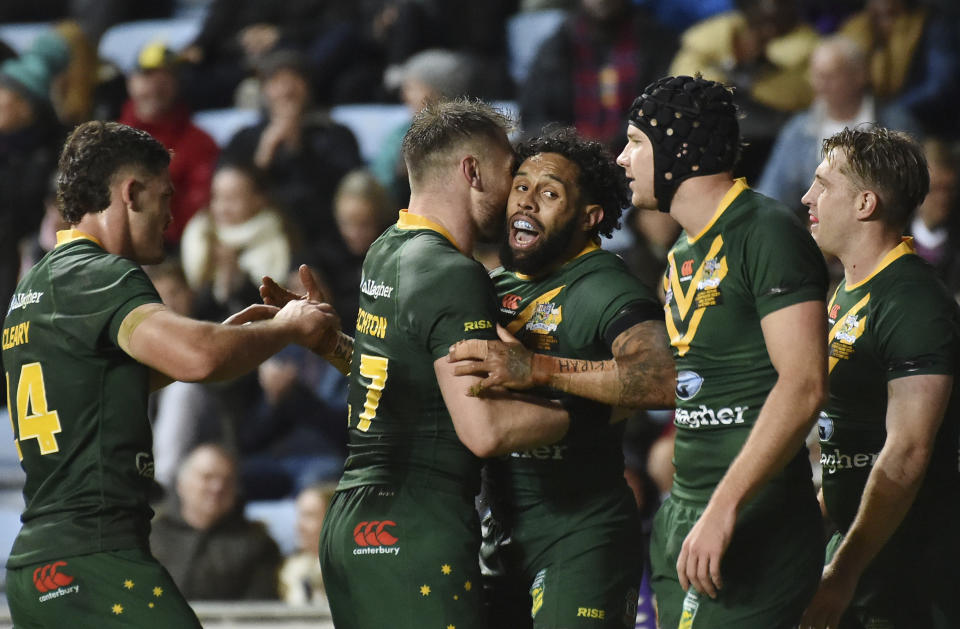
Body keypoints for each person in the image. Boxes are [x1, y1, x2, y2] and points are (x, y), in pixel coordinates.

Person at [1, 120, 337, 627]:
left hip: (39, 567)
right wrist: (289, 329)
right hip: (97, 556)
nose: (172, 214)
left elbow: (116, 383)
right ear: (131, 193)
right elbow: (200, 358)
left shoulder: (36, 287)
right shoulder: (101, 274)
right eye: (165, 195)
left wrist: (231, 337)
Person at [262, 98, 571, 629]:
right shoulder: (453, 272)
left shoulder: (387, 248)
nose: (516, 194)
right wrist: (590, 406)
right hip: (414, 526)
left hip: (353, 524)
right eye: (508, 173)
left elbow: (395, 374)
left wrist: (332, 345)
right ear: (472, 172)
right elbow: (484, 432)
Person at [616, 75, 829, 628]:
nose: (622, 158)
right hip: (685, 510)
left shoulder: (767, 232)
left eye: (636, 141)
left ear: (678, 149)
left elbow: (803, 384)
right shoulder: (683, 248)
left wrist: (724, 507)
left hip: (751, 515)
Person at [446, 127, 676, 628]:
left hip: (581, 532)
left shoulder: (604, 287)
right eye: (521, 187)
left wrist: (536, 368)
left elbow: (662, 378)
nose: (526, 203)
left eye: (549, 194)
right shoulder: (491, 287)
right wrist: (325, 339)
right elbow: (417, 380)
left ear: (589, 217)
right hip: (500, 528)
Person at [798, 126, 960, 629]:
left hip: (910, 571)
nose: (807, 197)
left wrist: (843, 572)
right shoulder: (848, 290)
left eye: (824, 185)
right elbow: (855, 438)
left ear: (865, 203)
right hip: (860, 555)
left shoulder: (912, 303)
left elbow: (908, 453)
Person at [757, 35, 922, 216]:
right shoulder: (799, 130)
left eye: (829, 77)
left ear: (859, 76)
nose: (820, 86)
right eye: (816, 76)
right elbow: (772, 195)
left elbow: (916, 193)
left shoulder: (895, 124)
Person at [118, 41, 220, 246]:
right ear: (131, 82)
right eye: (148, 75)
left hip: (169, 251)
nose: (156, 86)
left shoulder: (200, 143)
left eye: (166, 77)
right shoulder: (109, 140)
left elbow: (200, 211)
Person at [150, 443, 283, 600]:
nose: (217, 487)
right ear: (181, 484)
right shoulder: (148, 537)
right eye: (207, 477)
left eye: (227, 480)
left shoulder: (258, 545)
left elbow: (259, 613)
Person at [278, 482, 336, 605]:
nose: (299, 526)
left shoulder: (351, 570)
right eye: (300, 515)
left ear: (333, 520)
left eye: (309, 516)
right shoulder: (291, 570)